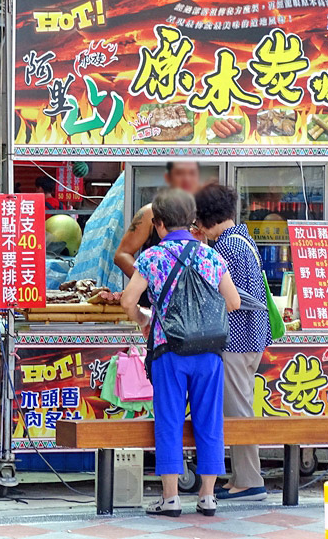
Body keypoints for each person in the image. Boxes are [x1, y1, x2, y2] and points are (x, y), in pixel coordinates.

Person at [119, 188, 241, 518]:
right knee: (210, 421)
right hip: (209, 353)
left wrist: (145, 318)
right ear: (191, 221)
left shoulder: (152, 258)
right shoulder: (211, 256)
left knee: (169, 421)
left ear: (158, 224)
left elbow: (128, 301)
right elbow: (234, 302)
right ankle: (207, 496)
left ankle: (170, 498)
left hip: (168, 350)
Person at [195, 183, 271, 502]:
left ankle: (250, 481)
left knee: (238, 411)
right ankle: (241, 476)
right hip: (252, 337)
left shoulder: (225, 248)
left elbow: (229, 299)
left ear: (208, 217)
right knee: (240, 405)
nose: (196, 226)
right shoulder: (242, 239)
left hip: (236, 340)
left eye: (199, 219)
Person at [114, 162, 202, 280]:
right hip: (156, 296)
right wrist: (150, 282)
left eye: (191, 174)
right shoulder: (150, 212)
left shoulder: (207, 211)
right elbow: (122, 255)